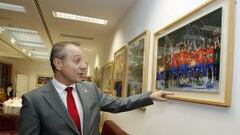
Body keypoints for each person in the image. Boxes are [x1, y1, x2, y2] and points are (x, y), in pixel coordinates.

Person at [19, 41, 173, 135]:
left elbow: (119, 104)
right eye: (77, 60)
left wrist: (149, 96)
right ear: (58, 63)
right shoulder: (34, 100)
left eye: (83, 61)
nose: (84, 66)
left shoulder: (90, 89)